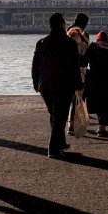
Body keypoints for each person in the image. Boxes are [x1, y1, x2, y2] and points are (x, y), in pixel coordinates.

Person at [32, 13, 82, 159]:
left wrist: (36, 82)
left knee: (55, 114)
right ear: (62, 25)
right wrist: (78, 86)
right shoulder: (70, 44)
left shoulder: (41, 43)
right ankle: (53, 149)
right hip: (63, 84)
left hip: (45, 84)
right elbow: (75, 67)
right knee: (59, 116)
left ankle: (60, 142)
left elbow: (35, 66)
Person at [66, 13, 90, 135]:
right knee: (77, 97)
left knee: (70, 98)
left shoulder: (67, 33)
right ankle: (72, 124)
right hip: (79, 71)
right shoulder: (81, 37)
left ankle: (70, 122)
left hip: (66, 71)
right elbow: (85, 55)